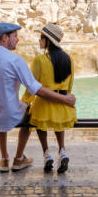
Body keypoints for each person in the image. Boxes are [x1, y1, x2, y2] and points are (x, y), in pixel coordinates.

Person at [0, 22, 76, 173]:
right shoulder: (15, 60)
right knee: (27, 112)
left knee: (4, 104)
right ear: (5, 38)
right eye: (15, 36)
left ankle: (4, 158)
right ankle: (19, 158)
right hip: (10, 115)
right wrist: (64, 99)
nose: (18, 40)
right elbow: (35, 89)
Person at [22, 23, 76, 173]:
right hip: (63, 105)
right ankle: (62, 151)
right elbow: (70, 84)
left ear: (48, 40)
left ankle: (47, 154)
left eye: (41, 38)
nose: (39, 41)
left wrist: (24, 101)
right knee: (58, 124)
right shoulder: (69, 58)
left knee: (40, 124)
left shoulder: (40, 60)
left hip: (43, 105)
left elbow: (32, 86)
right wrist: (64, 99)